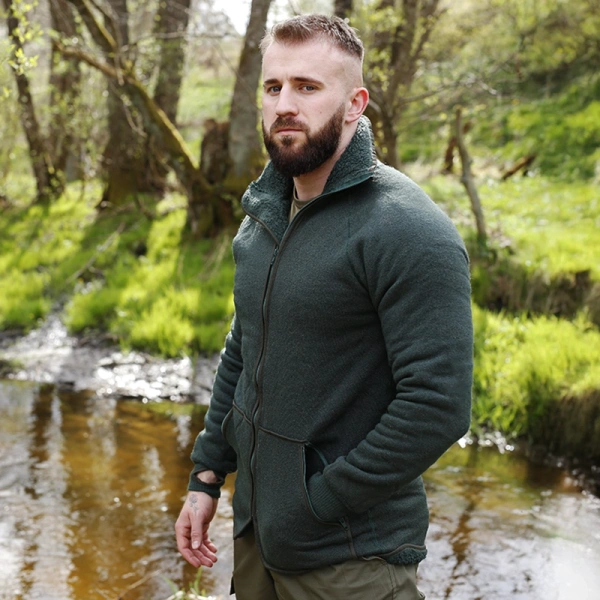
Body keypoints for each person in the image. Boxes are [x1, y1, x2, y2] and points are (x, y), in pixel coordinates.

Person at [175, 14, 473, 600]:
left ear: (355, 103)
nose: (285, 104)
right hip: (259, 541)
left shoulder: (407, 229)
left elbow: (438, 405)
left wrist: (319, 502)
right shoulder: (264, 213)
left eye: (307, 87)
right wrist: (207, 476)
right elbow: (244, 348)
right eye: (273, 86)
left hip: (351, 561)